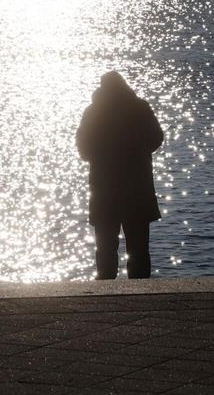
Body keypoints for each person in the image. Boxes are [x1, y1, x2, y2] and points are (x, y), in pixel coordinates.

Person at [76, 71, 164, 279]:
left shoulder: (93, 111)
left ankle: (105, 286)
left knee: (105, 245)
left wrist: (100, 155)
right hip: (137, 186)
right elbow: (156, 137)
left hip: (104, 187)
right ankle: (140, 288)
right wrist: (138, 152)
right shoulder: (140, 108)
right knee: (138, 245)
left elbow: (83, 147)